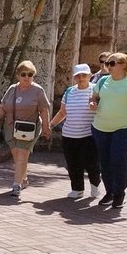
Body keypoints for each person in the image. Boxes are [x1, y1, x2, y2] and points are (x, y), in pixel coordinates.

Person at [89, 52, 127, 209]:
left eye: (112, 63)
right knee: (105, 161)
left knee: (117, 159)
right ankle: (109, 192)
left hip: (126, 127)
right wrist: (92, 103)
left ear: (124, 64)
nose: (108, 66)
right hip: (101, 127)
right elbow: (93, 97)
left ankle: (119, 193)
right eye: (107, 64)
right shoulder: (102, 81)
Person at [0, 61, 52, 197]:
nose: (27, 77)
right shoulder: (12, 89)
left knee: (22, 154)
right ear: (18, 75)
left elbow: (44, 110)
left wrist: (47, 128)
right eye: (23, 74)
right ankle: (23, 179)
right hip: (11, 128)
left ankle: (16, 185)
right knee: (17, 155)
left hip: (29, 129)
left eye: (30, 74)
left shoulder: (38, 90)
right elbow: (3, 107)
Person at [48, 64, 100, 199]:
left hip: (89, 135)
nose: (81, 78)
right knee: (73, 164)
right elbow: (62, 112)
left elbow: (102, 109)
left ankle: (95, 186)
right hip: (69, 135)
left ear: (89, 76)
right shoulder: (70, 91)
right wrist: (51, 125)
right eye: (78, 76)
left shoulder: (96, 90)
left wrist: (96, 107)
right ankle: (77, 189)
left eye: (84, 75)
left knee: (91, 164)